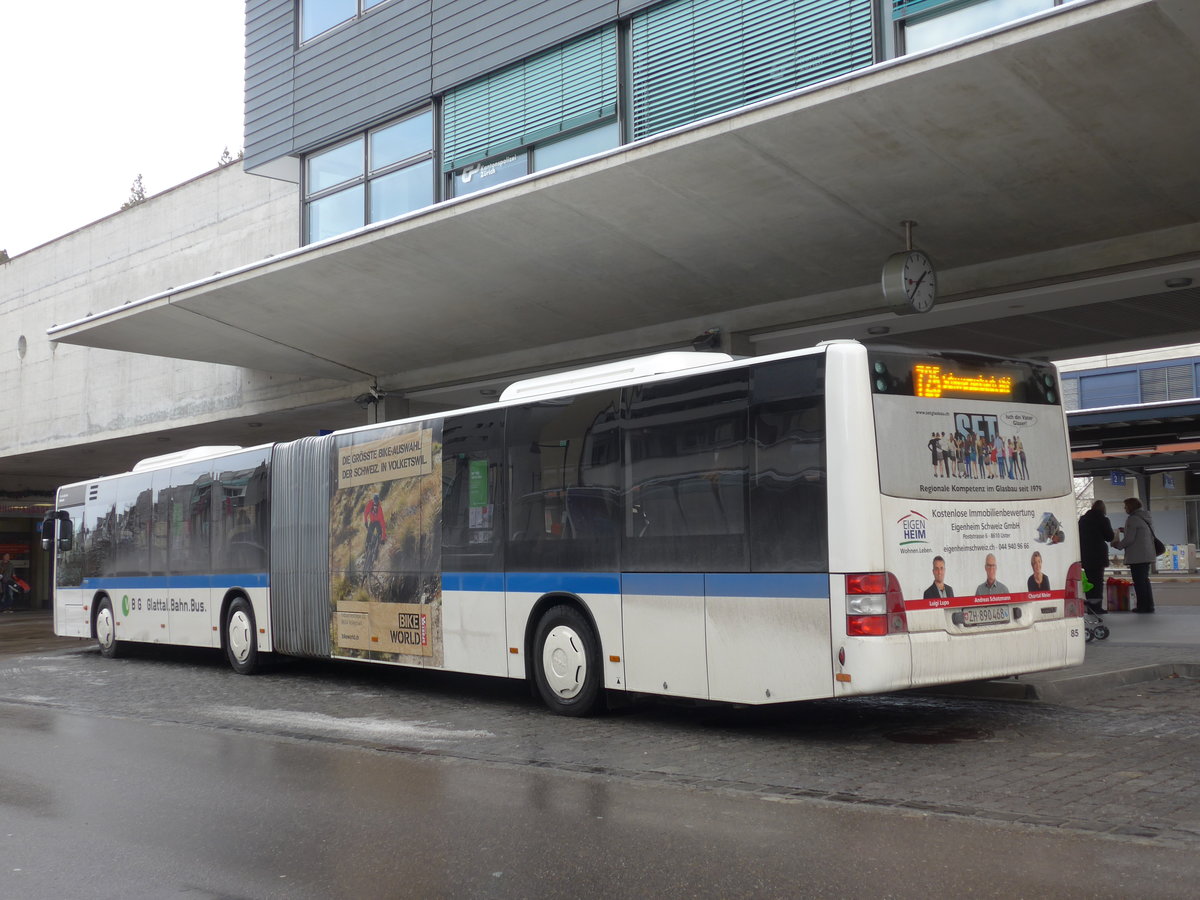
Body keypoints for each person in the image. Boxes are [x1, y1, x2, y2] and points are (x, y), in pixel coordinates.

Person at [1111, 497, 1156, 613]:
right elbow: (1139, 534)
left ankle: (1142, 606)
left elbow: (1130, 539)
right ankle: (1149, 605)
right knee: (1144, 581)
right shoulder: (1144, 517)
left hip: (1137, 556)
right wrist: (1125, 530)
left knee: (1139, 582)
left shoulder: (1132, 519)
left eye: (1126, 506)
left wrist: (1118, 545)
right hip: (1146, 554)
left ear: (1131, 506)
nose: (1125, 508)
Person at [1078, 500, 1113, 614]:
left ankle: (1090, 607)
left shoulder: (1082, 520)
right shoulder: (1103, 519)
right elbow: (1109, 537)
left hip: (1086, 554)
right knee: (1098, 582)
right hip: (1098, 555)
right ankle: (1097, 607)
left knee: (1089, 582)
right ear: (1103, 509)